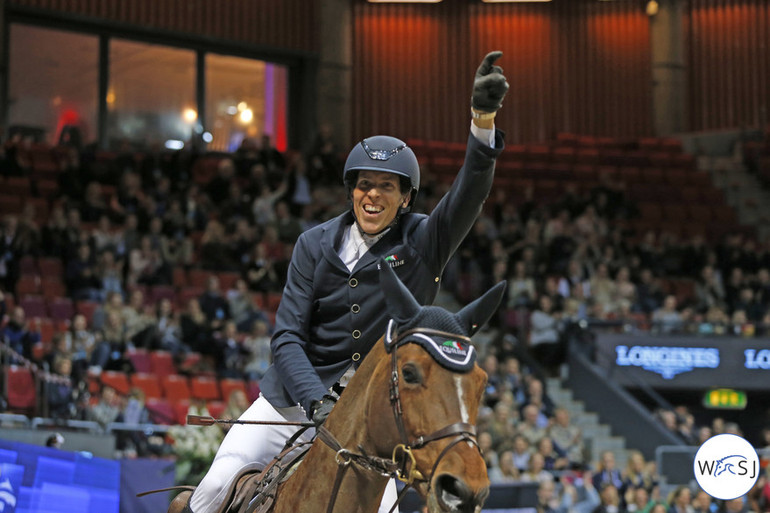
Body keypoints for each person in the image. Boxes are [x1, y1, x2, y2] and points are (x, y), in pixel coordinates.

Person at [187, 51, 509, 513]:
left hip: (367, 422)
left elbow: (471, 192)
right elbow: (287, 337)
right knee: (207, 497)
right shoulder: (312, 245)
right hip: (290, 405)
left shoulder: (423, 242)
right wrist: (317, 403)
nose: (372, 195)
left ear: (405, 199)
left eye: (386, 187)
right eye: (364, 184)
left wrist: (483, 121)